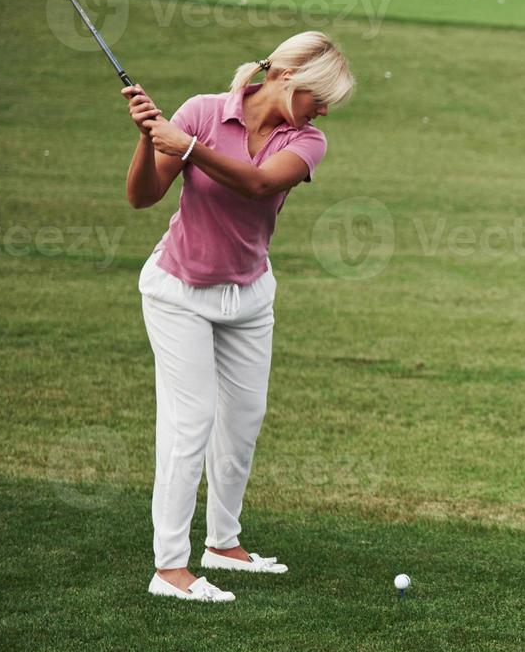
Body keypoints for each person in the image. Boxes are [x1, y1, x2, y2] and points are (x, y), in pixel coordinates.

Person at [123, 31, 355, 602]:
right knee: (189, 422)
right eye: (317, 96)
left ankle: (223, 543)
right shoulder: (201, 113)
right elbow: (142, 197)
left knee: (243, 421)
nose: (323, 109)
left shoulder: (307, 140)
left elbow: (256, 185)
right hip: (179, 290)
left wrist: (187, 147)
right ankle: (169, 567)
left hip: (249, 295)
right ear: (285, 77)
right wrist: (148, 139)